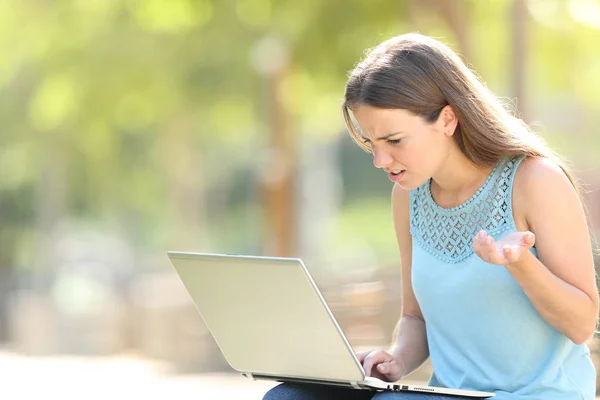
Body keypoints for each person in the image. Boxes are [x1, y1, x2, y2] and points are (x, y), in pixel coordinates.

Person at [263, 33, 599, 400]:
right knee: (288, 398)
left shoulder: (536, 181)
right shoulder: (407, 197)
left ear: (448, 119)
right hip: (451, 395)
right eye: (370, 143)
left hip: (537, 395)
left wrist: (521, 265)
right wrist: (394, 359)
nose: (380, 160)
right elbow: (415, 318)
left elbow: (582, 325)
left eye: (393, 141)